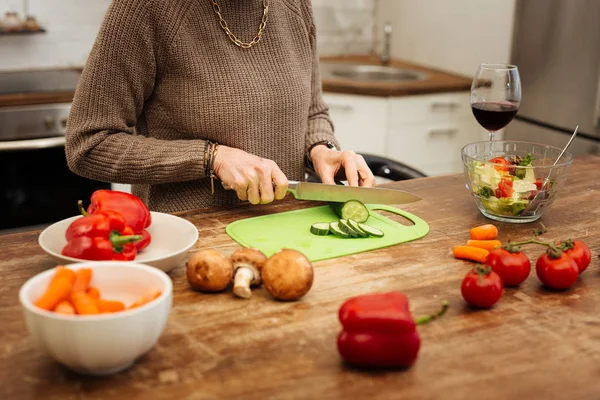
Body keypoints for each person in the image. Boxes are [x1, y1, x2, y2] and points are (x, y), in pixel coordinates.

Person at [65, 0, 376, 213]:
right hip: (192, 242)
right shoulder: (147, 9)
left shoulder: (295, 5)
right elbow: (89, 143)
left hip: (293, 233)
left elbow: (312, 112)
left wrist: (322, 150)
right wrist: (210, 158)